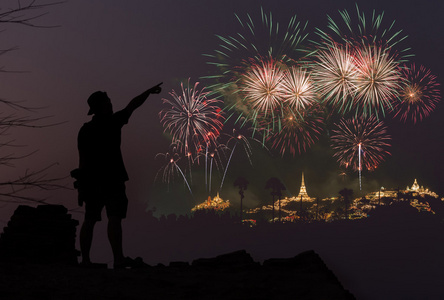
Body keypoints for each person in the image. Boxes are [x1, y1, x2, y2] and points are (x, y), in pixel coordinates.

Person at [75, 83, 162, 269]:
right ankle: (118, 259)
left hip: (91, 180)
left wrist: (82, 186)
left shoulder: (85, 130)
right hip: (112, 178)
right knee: (114, 217)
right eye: (108, 102)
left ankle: (86, 260)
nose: (111, 104)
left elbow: (81, 159)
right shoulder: (113, 122)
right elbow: (133, 105)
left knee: (89, 219)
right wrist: (147, 91)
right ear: (102, 106)